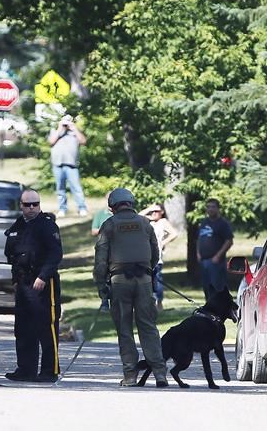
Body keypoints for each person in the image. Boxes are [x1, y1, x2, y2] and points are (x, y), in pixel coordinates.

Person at [93, 188, 168, 387]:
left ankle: (130, 375)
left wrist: (101, 285)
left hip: (119, 281)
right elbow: (155, 252)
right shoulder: (145, 223)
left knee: (125, 329)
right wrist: (148, 271)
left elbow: (101, 259)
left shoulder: (108, 225)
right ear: (131, 202)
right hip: (143, 280)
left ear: (113, 206)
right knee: (148, 327)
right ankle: (160, 374)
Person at [3, 188, 63, 382]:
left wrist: (43, 276)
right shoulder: (18, 226)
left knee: (46, 327)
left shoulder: (47, 225)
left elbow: (55, 254)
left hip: (43, 283)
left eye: (35, 204)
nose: (31, 208)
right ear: (21, 205)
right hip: (23, 283)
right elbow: (11, 254)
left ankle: (49, 371)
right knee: (23, 328)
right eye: (27, 204)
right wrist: (14, 280)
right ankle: (25, 370)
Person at [48, 115, 88, 218]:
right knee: (60, 188)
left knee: (76, 188)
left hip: (72, 165)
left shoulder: (74, 132)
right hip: (57, 164)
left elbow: (83, 141)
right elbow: (51, 142)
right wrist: (60, 128)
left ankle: (82, 208)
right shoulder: (55, 131)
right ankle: (62, 209)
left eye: (68, 121)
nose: (66, 123)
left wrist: (74, 128)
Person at [141, 203, 178, 310]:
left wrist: (162, 243)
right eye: (152, 211)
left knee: (157, 280)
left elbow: (174, 234)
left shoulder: (163, 222)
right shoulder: (148, 222)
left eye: (156, 211)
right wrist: (149, 209)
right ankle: (150, 302)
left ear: (162, 212)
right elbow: (137, 217)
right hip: (145, 256)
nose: (154, 213)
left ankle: (159, 302)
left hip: (156, 257)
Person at [197, 198, 233, 302]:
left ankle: (219, 309)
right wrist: (198, 253)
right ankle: (209, 308)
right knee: (206, 287)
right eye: (208, 207)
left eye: (213, 207)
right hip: (204, 260)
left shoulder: (222, 224)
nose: (210, 209)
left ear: (218, 209)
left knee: (216, 287)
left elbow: (229, 241)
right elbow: (199, 238)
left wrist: (218, 255)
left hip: (216, 262)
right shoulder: (204, 222)